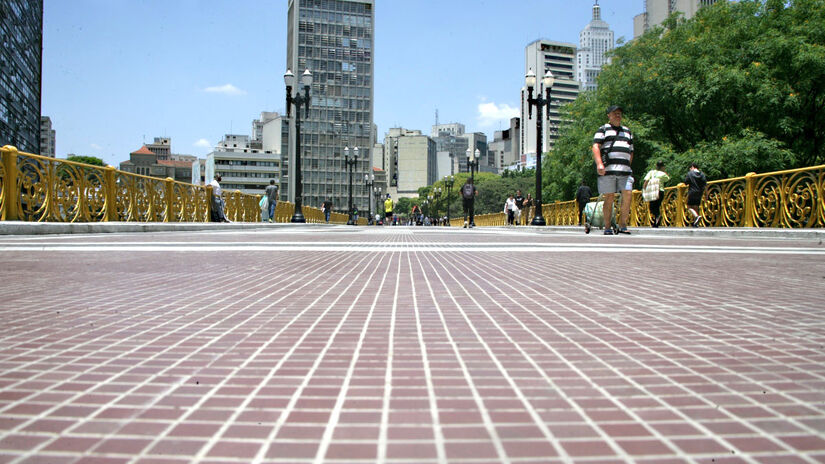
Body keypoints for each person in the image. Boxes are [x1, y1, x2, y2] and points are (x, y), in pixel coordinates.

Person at [592, 105, 634, 235]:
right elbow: (596, 146)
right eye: (615, 113)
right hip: (608, 171)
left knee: (628, 194)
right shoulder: (603, 129)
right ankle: (607, 226)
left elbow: (631, 150)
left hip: (625, 171)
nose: (618, 115)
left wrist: (628, 164)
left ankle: (622, 224)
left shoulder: (627, 131)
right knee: (609, 197)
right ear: (609, 115)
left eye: (620, 113)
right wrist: (599, 164)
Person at [642, 161, 670, 228]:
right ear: (662, 167)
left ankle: (656, 218)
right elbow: (667, 179)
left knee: (652, 206)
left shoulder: (651, 172)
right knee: (657, 205)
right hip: (660, 191)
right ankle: (656, 220)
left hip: (652, 192)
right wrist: (664, 172)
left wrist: (644, 189)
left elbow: (646, 181)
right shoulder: (663, 174)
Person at [684, 162, 707, 227]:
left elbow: (686, 182)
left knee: (689, 206)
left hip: (692, 192)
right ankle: (696, 223)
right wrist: (706, 195)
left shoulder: (690, 173)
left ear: (692, 167)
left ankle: (696, 216)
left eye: (690, 168)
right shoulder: (702, 174)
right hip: (699, 192)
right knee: (696, 206)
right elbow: (705, 185)